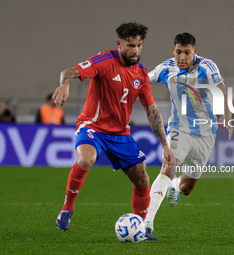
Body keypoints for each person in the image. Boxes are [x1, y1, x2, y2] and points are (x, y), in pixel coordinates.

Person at [52, 22, 170, 240]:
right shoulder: (104, 61)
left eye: (139, 45)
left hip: (120, 134)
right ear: (119, 44)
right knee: (86, 160)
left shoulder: (141, 74)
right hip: (93, 126)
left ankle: (141, 228)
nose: (135, 50)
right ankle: (67, 208)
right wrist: (65, 83)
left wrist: (164, 145)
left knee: (142, 178)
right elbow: (70, 71)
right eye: (130, 45)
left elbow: (152, 110)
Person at [144, 33, 233, 237]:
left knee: (186, 188)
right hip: (179, 128)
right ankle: (147, 223)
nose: (182, 57)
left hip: (205, 133)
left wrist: (227, 117)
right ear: (173, 51)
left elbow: (222, 90)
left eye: (186, 52)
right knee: (168, 167)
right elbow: (140, 81)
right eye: (178, 52)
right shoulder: (165, 68)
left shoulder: (207, 67)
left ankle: (175, 185)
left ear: (195, 51)